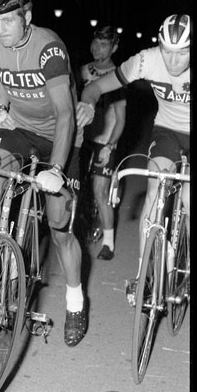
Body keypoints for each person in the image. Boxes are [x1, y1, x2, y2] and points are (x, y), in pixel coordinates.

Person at [0, 0, 87, 347]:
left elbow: (65, 115)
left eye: (8, 22)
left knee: (59, 226)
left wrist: (57, 169)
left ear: (27, 17)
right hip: (20, 130)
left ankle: (75, 300)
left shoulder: (48, 48)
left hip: (60, 136)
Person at [77, 14, 190, 304]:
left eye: (182, 53)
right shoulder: (145, 60)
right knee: (155, 188)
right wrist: (88, 103)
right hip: (168, 130)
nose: (173, 62)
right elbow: (95, 88)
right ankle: (142, 277)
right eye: (167, 52)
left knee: (189, 199)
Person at [77, 25, 127, 261]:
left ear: (114, 48)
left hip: (104, 141)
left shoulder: (117, 76)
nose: (97, 48)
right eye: (95, 43)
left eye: (104, 44)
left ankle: (108, 243)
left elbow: (121, 118)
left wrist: (110, 145)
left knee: (100, 191)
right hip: (82, 138)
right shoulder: (83, 70)